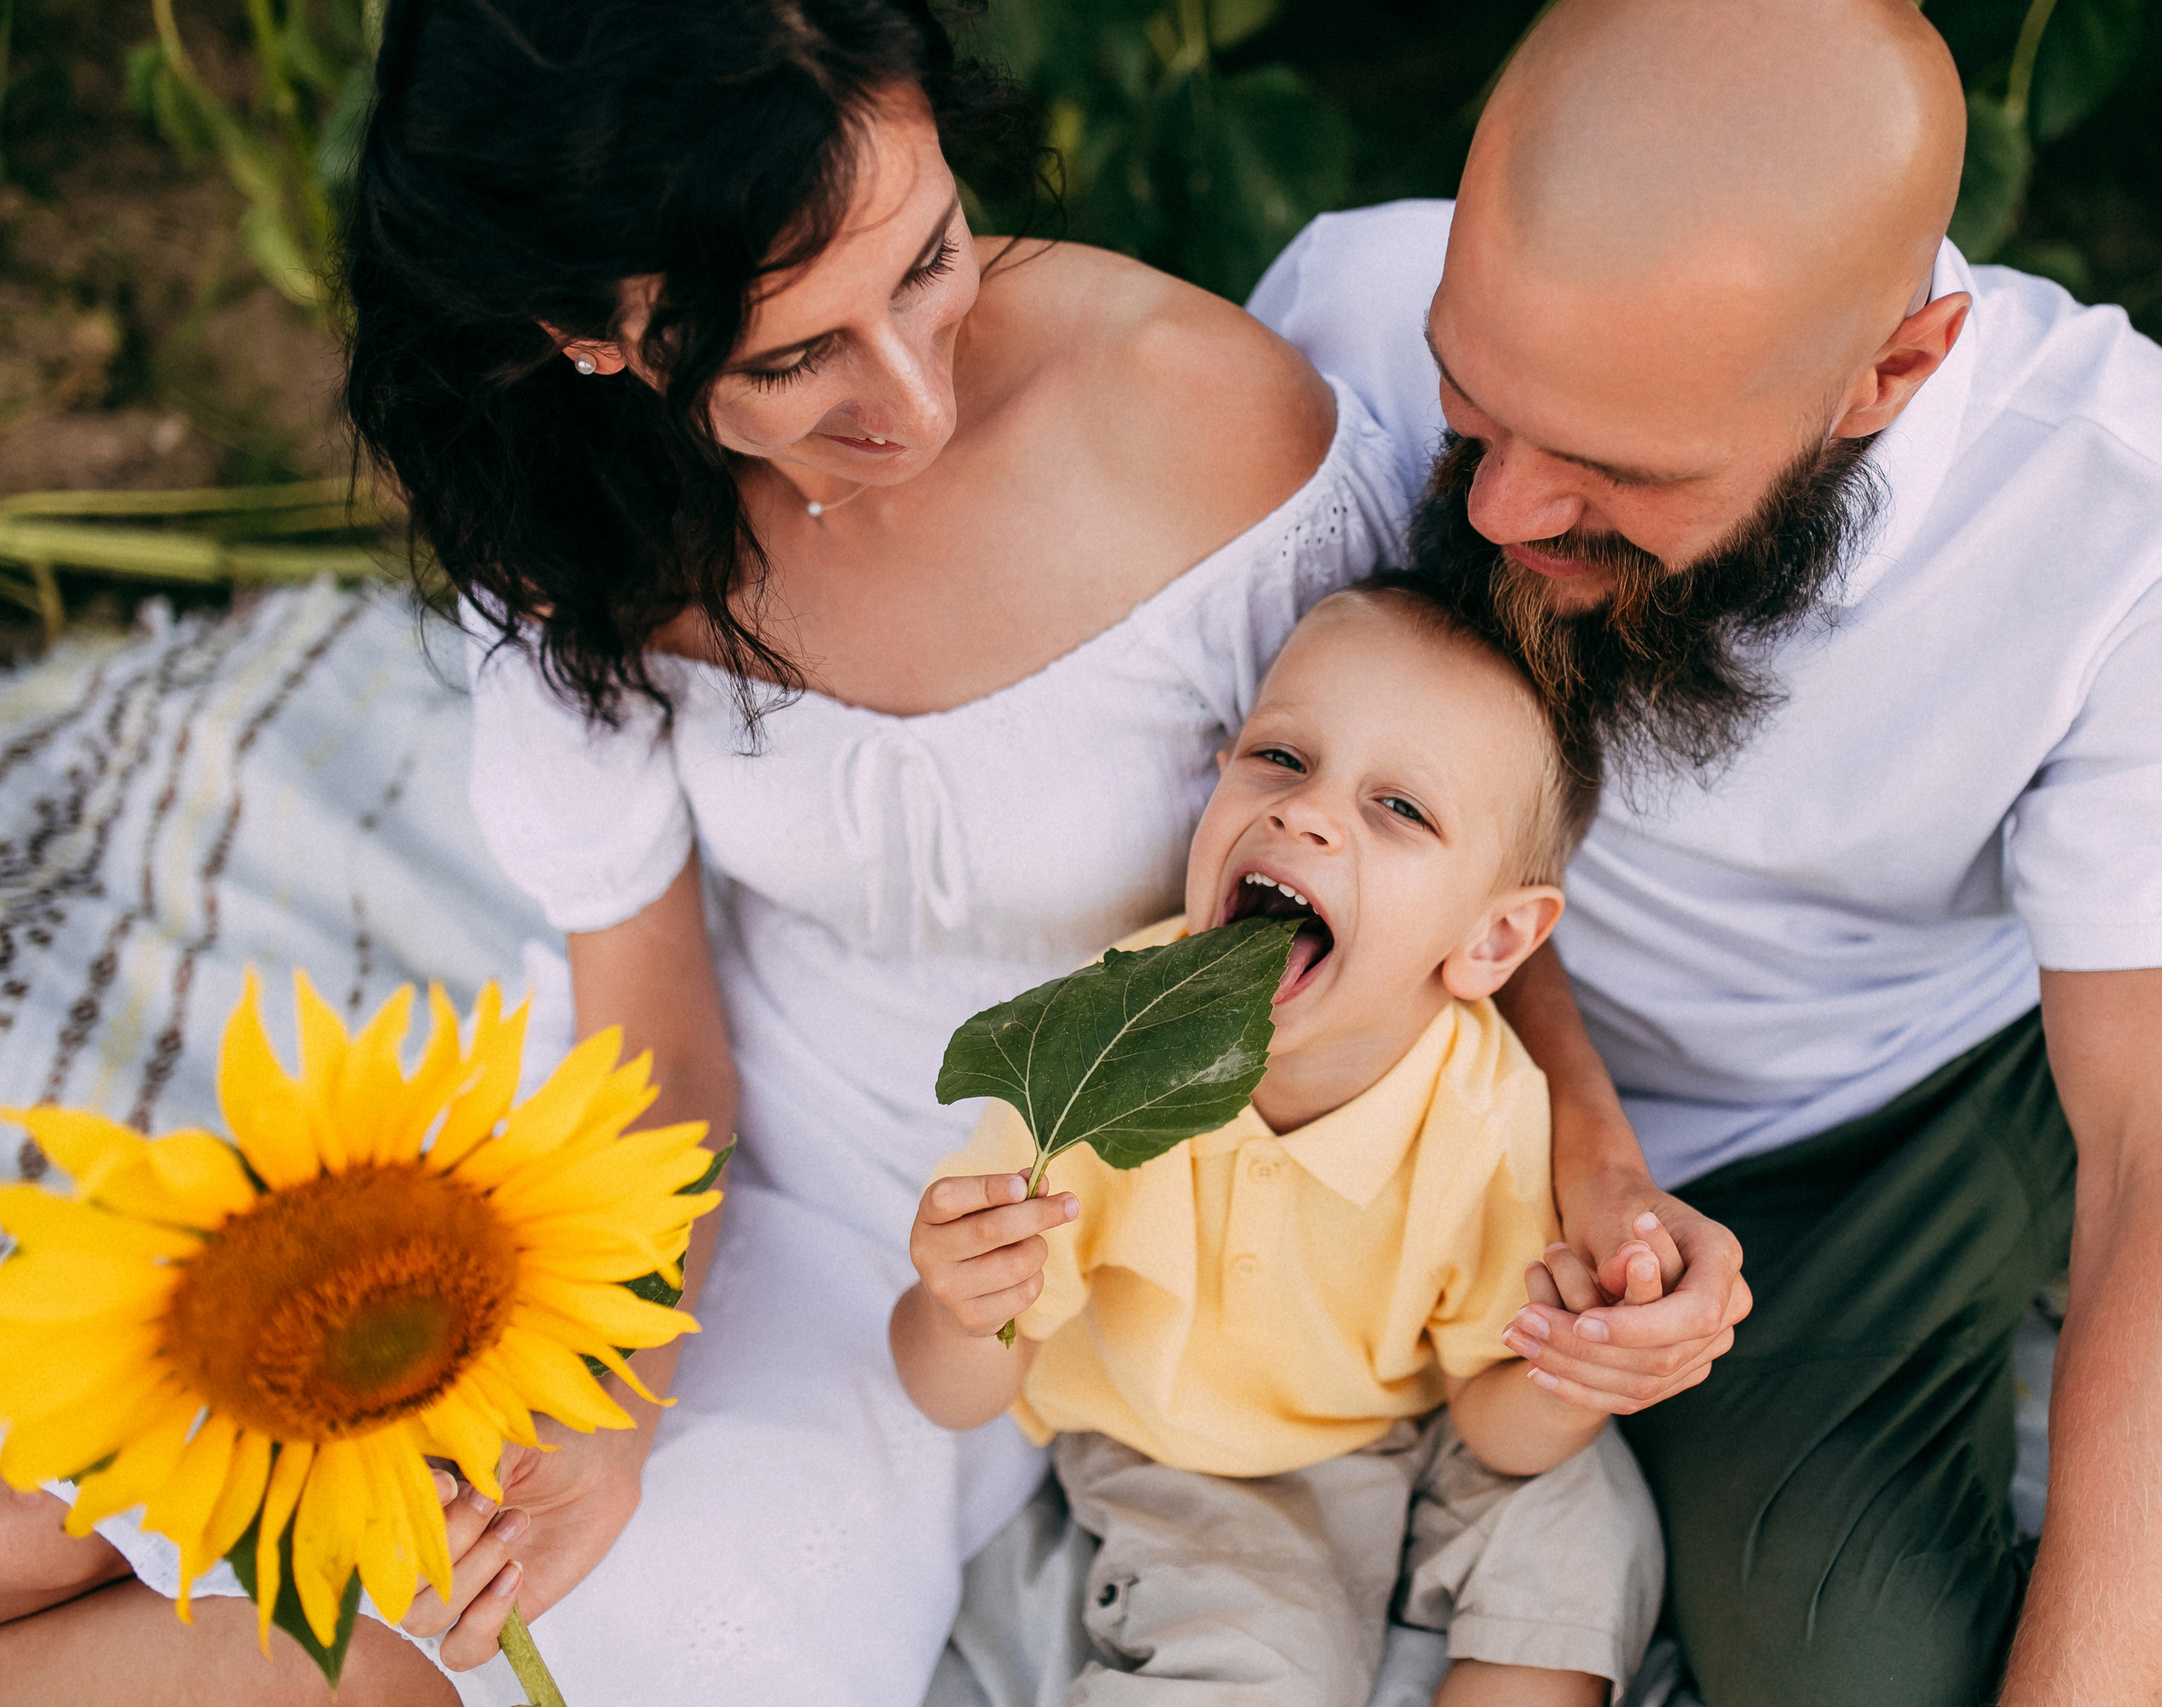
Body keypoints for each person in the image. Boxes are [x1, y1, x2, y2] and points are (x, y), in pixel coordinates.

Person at [0, 2, 1412, 1703]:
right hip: (640, 1136)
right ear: (596, 339)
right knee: (52, 1497)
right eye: (791, 356)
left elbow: (1445, 853)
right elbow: (656, 1037)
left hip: (952, 1237)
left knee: (462, 1639)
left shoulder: (1203, 427)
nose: (914, 395)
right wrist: (608, 1378)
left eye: (931, 257)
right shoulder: (582, 499)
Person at [1246, 1, 2162, 1704]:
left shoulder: (2141, 508)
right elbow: (1375, 835)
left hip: (2082, 1003)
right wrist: (1588, 1147)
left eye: (1617, 471)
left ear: (1894, 370)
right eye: (1471, 402)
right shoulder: (1340, 311)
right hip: (1748, 1180)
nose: (1495, 511)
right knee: (1871, 1677)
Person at [894, 582, 1661, 1707]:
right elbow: (953, 1396)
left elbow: (1494, 1421)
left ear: (1493, 939)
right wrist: (959, 1307)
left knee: (1577, 1524)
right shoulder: (1097, 1059)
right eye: (1281, 759)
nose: (1306, 815)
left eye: (1400, 809)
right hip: (1192, 1457)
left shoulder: (1489, 1110)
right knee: (1255, 1652)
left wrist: (1574, 1370)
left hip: (1413, 1420)